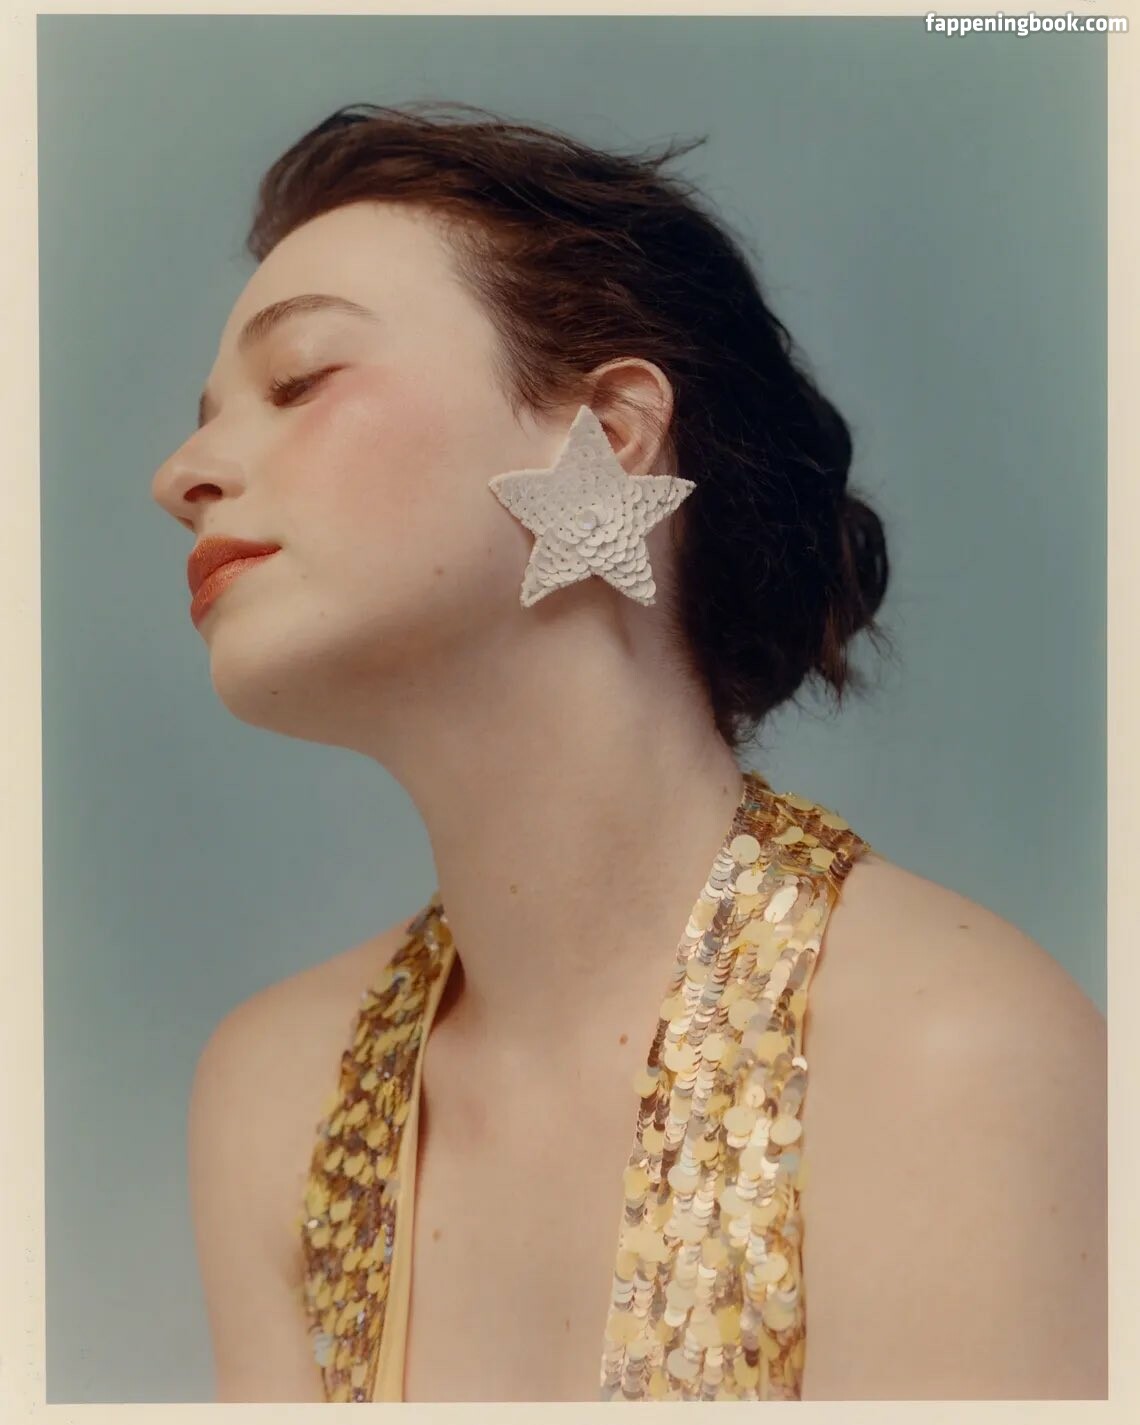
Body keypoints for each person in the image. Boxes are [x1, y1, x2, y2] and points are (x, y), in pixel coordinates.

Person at [149, 102, 1106, 1404]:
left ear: (607, 434)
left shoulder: (956, 1058)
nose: (181, 474)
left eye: (301, 377)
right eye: (209, 413)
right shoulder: (273, 1098)